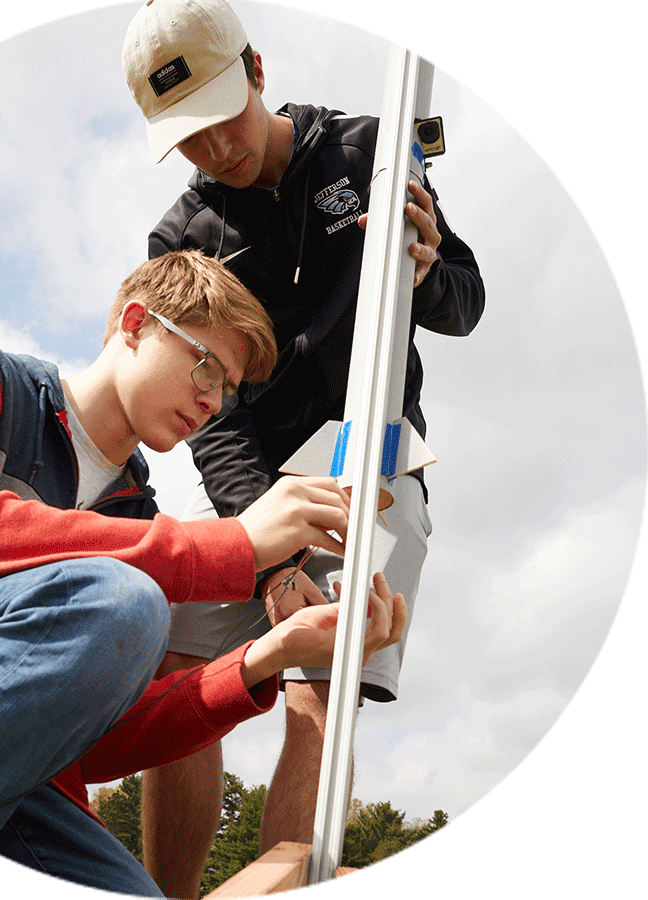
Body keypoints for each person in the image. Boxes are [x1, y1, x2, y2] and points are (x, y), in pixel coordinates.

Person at [0, 250, 405, 897]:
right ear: (135, 324)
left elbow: (99, 734)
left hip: (13, 773)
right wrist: (235, 546)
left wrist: (264, 656)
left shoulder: (137, 519)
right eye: (207, 365)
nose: (214, 400)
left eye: (228, 390)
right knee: (123, 598)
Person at [122, 2, 486, 896]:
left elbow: (467, 303)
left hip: (373, 458)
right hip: (250, 487)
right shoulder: (184, 237)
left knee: (318, 684)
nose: (215, 152)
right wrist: (266, 560)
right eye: (188, 140)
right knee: (175, 670)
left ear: (255, 69)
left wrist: (427, 270)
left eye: (220, 121)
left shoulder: (375, 147)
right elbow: (216, 419)